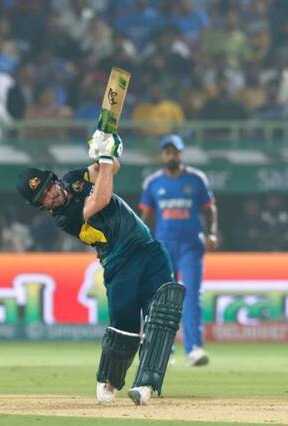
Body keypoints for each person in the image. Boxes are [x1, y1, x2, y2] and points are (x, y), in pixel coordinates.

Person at [16, 130, 185, 406]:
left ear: (53, 179)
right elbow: (101, 198)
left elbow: (109, 169)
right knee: (124, 330)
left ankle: (146, 384)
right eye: (42, 197)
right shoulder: (65, 218)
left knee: (162, 313)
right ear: (40, 206)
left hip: (148, 249)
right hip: (119, 262)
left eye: (48, 187)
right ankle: (109, 379)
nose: (50, 194)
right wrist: (105, 159)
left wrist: (109, 151)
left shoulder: (73, 178)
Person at [140, 134, 218, 367]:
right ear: (162, 155)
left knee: (192, 296)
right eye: (167, 151)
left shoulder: (196, 179)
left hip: (191, 246)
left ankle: (194, 349)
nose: (171, 155)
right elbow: (145, 216)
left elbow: (210, 209)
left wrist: (212, 233)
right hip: (163, 247)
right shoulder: (153, 182)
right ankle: (164, 350)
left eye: (175, 151)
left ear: (181, 154)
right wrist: (141, 242)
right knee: (163, 299)